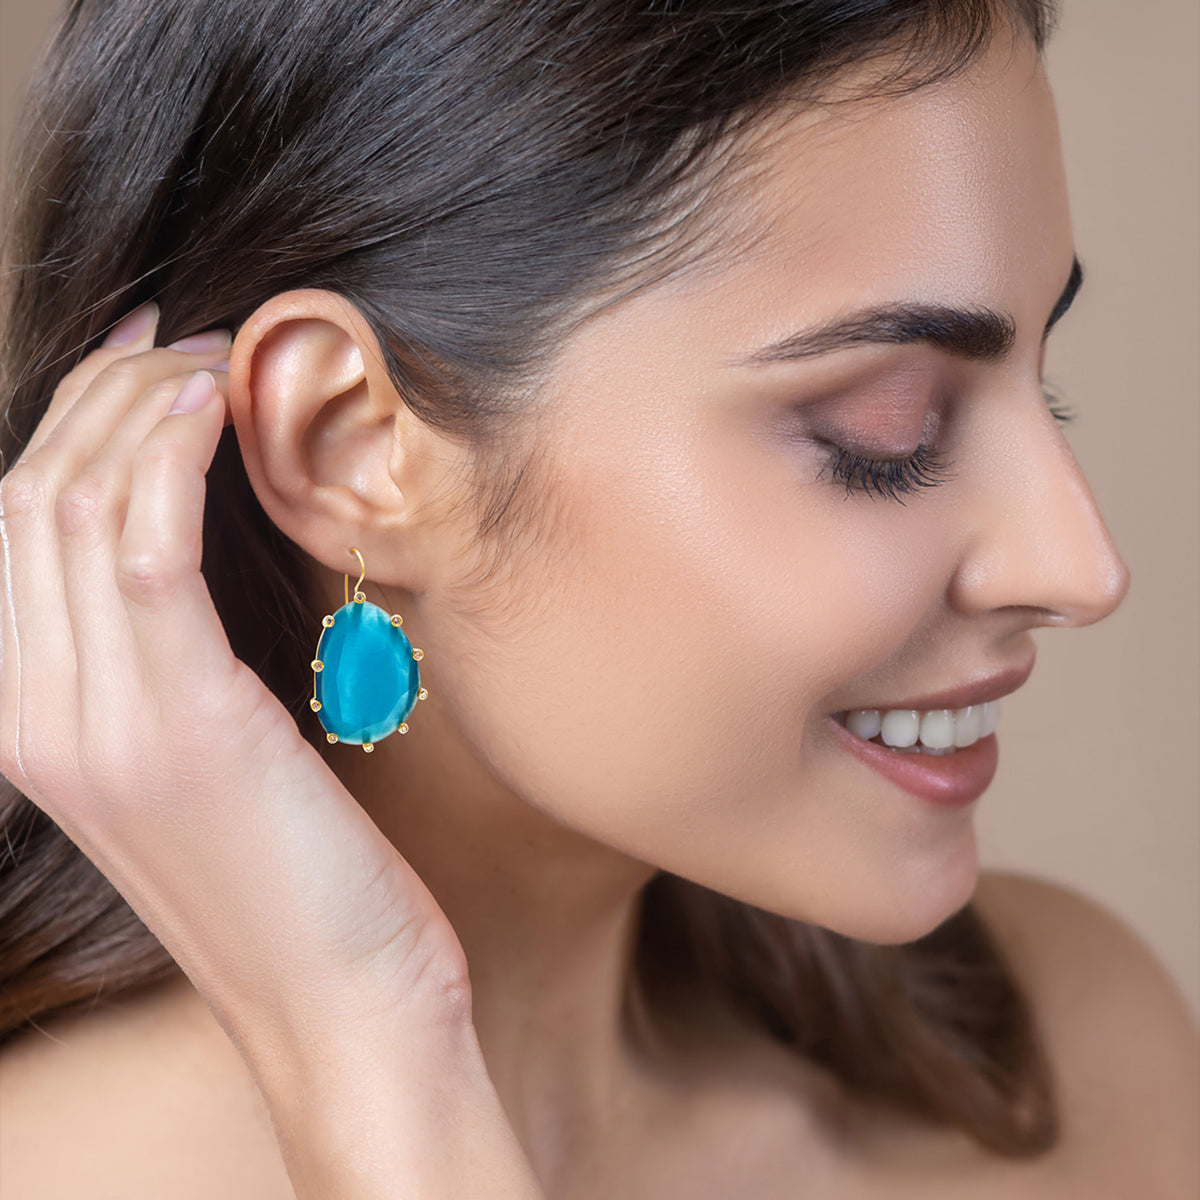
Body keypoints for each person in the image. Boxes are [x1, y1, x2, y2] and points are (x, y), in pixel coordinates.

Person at [0, 0, 1196, 1195]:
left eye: (1045, 386)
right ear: (349, 447)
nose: (1081, 569)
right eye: (887, 434)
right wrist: (375, 1047)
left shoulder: (1077, 1066)